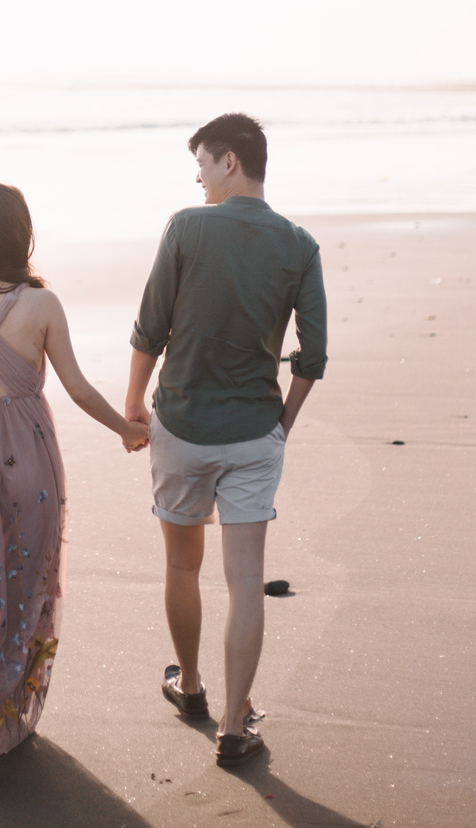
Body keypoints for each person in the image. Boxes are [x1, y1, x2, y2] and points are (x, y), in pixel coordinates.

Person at [0, 181, 147, 781]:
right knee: (25, 583)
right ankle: (3, 712)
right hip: (31, 458)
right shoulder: (43, 305)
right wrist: (125, 429)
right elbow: (75, 386)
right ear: (24, 238)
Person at [124, 114, 327, 766]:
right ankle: (235, 725)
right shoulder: (299, 245)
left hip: (181, 426)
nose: (198, 176)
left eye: (203, 163)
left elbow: (149, 328)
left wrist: (131, 405)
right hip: (253, 434)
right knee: (245, 582)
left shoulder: (186, 226)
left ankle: (188, 687)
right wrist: (281, 423)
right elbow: (312, 356)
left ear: (230, 161)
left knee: (182, 564)